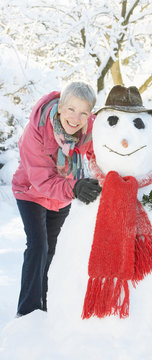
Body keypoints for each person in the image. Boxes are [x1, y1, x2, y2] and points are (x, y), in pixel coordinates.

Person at [12, 82, 102, 316]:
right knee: (38, 246)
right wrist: (75, 187)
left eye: (83, 112)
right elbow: (41, 180)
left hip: (61, 195)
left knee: (53, 249)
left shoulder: (89, 128)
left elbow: (97, 155)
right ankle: (28, 312)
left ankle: (46, 306)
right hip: (31, 191)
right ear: (60, 107)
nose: (76, 118)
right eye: (71, 109)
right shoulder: (36, 131)